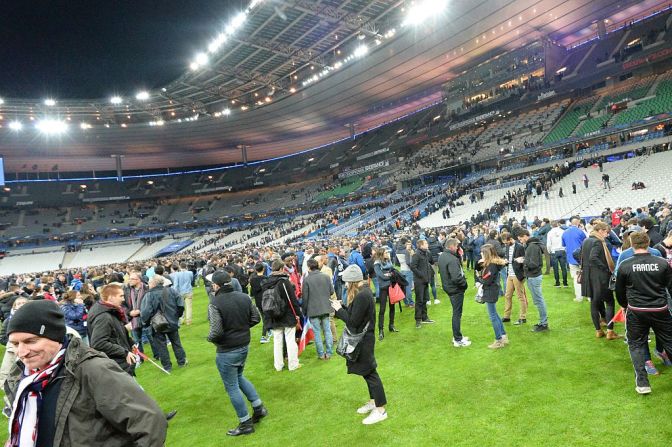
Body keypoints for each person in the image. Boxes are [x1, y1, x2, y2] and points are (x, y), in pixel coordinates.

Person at [4, 300, 167, 445]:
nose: (22, 352)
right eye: (15, 344)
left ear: (55, 336)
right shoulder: (24, 379)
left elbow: (150, 423)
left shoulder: (93, 369)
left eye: (30, 341)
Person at [207, 270, 267, 436]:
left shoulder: (215, 303)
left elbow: (216, 331)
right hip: (243, 345)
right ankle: (259, 408)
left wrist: (209, 339)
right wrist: (241, 329)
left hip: (227, 350)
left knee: (232, 386)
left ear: (215, 285)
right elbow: (256, 318)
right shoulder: (244, 297)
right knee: (239, 377)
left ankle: (245, 423)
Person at [615, 232, 672, 394]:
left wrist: (625, 305)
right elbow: (670, 286)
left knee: (636, 344)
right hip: (660, 309)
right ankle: (642, 382)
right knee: (669, 341)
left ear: (631, 243)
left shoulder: (625, 265)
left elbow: (619, 291)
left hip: (637, 311)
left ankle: (642, 383)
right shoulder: (661, 263)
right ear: (648, 242)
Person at [331, 265, 388, 425]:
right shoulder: (363, 292)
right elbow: (354, 314)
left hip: (363, 340)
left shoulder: (363, 295)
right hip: (363, 339)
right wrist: (342, 307)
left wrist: (338, 310)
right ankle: (373, 401)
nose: (345, 285)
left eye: (347, 282)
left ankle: (381, 409)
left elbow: (353, 321)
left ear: (352, 282)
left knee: (370, 373)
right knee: (366, 372)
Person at [580, 222, 621, 339]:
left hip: (589, 276)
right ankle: (610, 331)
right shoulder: (598, 242)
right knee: (609, 302)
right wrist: (606, 269)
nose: (607, 235)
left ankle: (598, 330)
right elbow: (593, 258)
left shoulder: (586, 240)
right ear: (600, 230)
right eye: (606, 232)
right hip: (600, 277)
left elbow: (581, 256)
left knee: (594, 302)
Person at [88, 283, 137, 376]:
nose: (123, 299)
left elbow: (115, 333)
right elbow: (99, 343)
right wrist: (124, 352)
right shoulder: (103, 316)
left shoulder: (110, 311)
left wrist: (130, 342)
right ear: (110, 298)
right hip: (115, 365)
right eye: (121, 296)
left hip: (119, 364)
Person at [140, 275, 188, 372]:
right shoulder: (171, 291)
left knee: (161, 346)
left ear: (153, 283)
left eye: (149, 282)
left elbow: (145, 312)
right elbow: (180, 305)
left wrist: (146, 322)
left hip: (157, 324)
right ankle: (182, 361)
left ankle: (167, 367)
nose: (148, 284)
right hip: (172, 321)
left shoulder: (148, 295)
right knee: (176, 343)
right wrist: (176, 316)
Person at [262, 260, 302, 372]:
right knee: (290, 340)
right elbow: (292, 300)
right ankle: (293, 364)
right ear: (281, 269)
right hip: (287, 314)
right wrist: (298, 314)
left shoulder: (266, 282)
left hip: (272, 315)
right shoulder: (284, 282)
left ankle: (278, 365)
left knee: (277, 340)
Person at [438, 238, 470, 347]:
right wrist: (465, 284)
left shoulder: (442, 256)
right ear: (451, 246)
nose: (457, 248)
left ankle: (457, 336)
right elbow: (456, 277)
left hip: (449, 288)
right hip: (455, 290)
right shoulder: (452, 259)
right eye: (456, 246)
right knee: (457, 314)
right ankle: (458, 339)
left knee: (456, 313)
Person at [476, 245, 509, 349]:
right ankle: (503, 336)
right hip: (493, 290)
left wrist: (479, 278)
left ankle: (499, 340)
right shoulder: (493, 263)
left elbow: (487, 280)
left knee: (493, 316)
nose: (481, 254)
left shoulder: (491, 265)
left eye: (482, 253)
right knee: (495, 314)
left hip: (490, 291)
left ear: (486, 254)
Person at [302, 258, 335, 358]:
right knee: (327, 330)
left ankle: (321, 354)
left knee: (317, 332)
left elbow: (305, 298)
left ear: (308, 267)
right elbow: (331, 291)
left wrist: (304, 311)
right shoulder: (325, 277)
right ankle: (329, 352)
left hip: (313, 310)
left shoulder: (307, 280)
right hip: (325, 307)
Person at [518, 229, 549, 332]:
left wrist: (523, 261)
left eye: (521, 238)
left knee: (539, 300)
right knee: (538, 300)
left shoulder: (532, 246)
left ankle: (544, 324)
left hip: (534, 276)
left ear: (526, 236)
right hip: (532, 276)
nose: (520, 240)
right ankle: (543, 322)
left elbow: (534, 263)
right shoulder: (531, 245)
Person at [0, 297, 29, 389]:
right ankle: (3, 386)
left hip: (27, 346)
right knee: (6, 368)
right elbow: (3, 336)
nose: (21, 304)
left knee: (22, 368)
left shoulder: (32, 317)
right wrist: (12, 343)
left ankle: (20, 385)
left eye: (23, 302)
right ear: (15, 306)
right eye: (19, 303)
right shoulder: (9, 319)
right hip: (12, 347)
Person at [501, 233, 528, 325]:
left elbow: (524, 259)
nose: (505, 244)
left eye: (506, 242)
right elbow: (507, 258)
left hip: (518, 275)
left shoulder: (520, 247)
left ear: (510, 239)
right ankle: (506, 316)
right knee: (507, 295)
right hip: (509, 274)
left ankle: (522, 317)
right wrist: (505, 261)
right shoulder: (508, 247)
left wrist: (519, 261)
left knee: (520, 296)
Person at [410, 239, 435, 329]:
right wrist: (422, 275)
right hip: (419, 281)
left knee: (425, 300)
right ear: (421, 245)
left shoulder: (426, 253)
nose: (427, 244)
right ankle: (418, 319)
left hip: (425, 280)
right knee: (419, 300)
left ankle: (425, 317)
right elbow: (413, 267)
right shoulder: (416, 255)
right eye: (426, 243)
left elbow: (430, 263)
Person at [373, 248, 397, 340]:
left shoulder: (389, 261)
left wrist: (389, 274)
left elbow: (393, 272)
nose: (387, 254)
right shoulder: (377, 264)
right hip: (383, 288)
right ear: (381, 254)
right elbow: (382, 276)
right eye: (386, 252)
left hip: (391, 286)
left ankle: (391, 325)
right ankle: (380, 330)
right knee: (382, 309)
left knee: (392, 307)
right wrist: (389, 275)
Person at [562, 216, 587, 302]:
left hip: (571, 258)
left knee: (576, 277)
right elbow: (586, 242)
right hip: (582, 258)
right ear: (578, 222)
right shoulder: (581, 232)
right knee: (587, 276)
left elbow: (564, 245)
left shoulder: (565, 233)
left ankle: (579, 297)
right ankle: (589, 296)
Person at [124, 271, 148, 353]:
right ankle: (140, 358)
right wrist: (129, 312)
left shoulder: (147, 288)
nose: (129, 281)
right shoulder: (126, 290)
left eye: (132, 279)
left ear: (138, 280)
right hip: (133, 319)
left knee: (152, 338)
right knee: (136, 340)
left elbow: (150, 303)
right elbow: (123, 305)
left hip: (145, 317)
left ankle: (157, 355)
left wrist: (140, 311)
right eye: (129, 279)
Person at [249, 262, 270, 343]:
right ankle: (263, 336)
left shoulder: (253, 280)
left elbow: (252, 293)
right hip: (266, 300)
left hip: (259, 302)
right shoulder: (266, 279)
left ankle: (268, 331)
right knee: (266, 318)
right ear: (263, 269)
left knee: (265, 317)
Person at [547, 221, 569, 288]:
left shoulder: (550, 232)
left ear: (551, 225)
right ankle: (565, 283)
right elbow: (566, 241)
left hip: (554, 251)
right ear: (558, 224)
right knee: (563, 268)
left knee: (555, 268)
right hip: (562, 250)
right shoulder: (563, 231)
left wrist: (549, 251)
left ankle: (557, 283)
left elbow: (548, 244)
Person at [396, 241, 415, 308]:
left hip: (402, 270)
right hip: (408, 270)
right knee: (408, 287)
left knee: (403, 287)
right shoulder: (405, 251)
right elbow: (408, 262)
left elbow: (396, 262)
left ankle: (406, 302)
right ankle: (411, 303)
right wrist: (412, 268)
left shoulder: (397, 251)